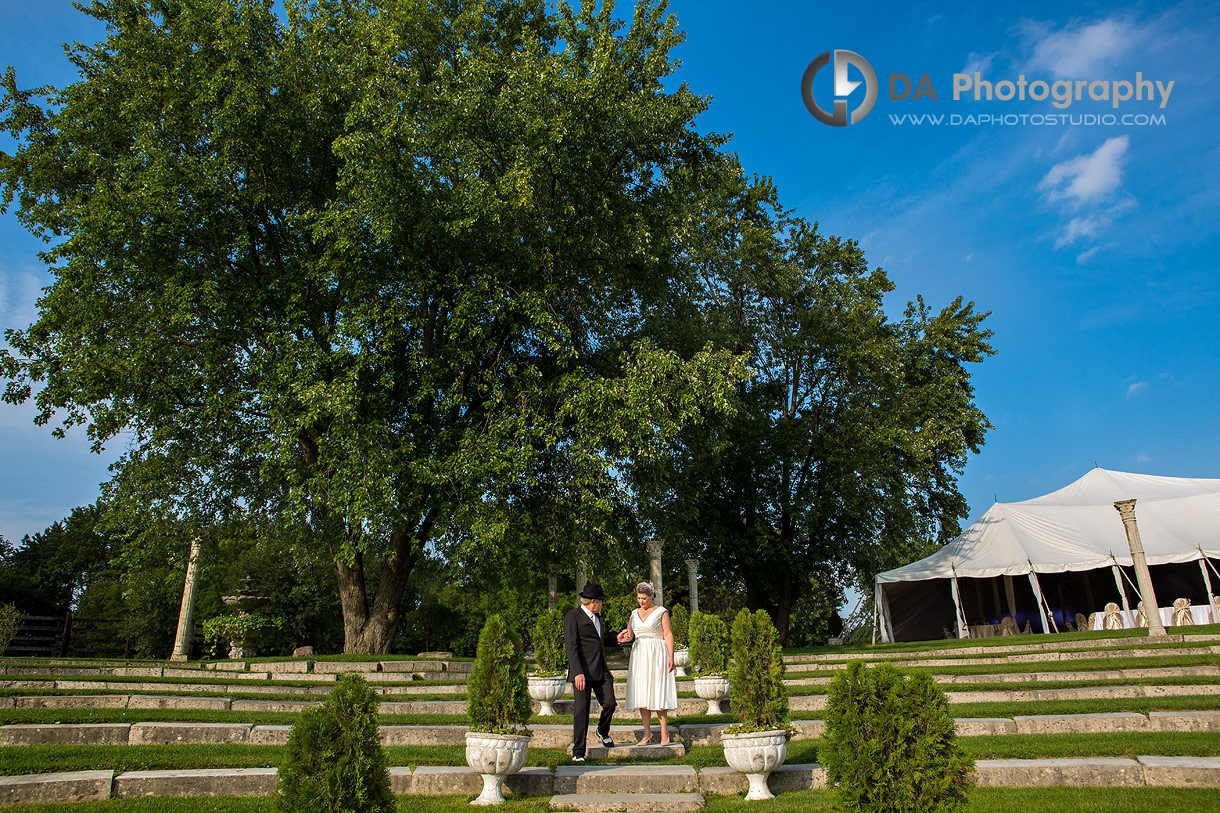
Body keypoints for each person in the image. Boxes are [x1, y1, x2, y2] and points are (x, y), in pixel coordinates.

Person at [563, 582, 620, 761]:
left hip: (600, 670)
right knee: (581, 711)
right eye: (602, 601)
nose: (603, 604)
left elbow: (600, 640)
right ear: (594, 601)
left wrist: (617, 638)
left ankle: (602, 731)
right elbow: (571, 647)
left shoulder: (597, 617)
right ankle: (578, 752)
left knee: (610, 703)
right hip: (582, 673)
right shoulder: (573, 616)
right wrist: (577, 672)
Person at [617, 580, 677, 746]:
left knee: (658, 690)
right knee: (642, 692)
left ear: (651, 596)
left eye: (644, 598)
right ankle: (647, 733)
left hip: (657, 652)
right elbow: (630, 634)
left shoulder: (661, 612)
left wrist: (671, 657)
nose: (641, 601)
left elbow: (668, 634)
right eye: (638, 598)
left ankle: (664, 734)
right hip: (640, 653)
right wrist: (622, 637)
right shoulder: (634, 613)